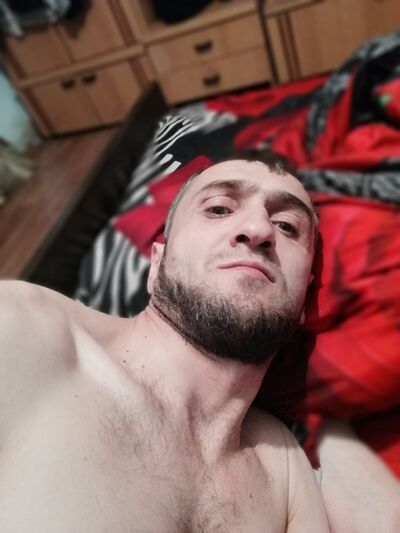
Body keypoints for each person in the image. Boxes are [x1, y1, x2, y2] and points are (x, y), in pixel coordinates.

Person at [0, 157, 398, 532]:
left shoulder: (286, 466)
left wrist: (333, 410)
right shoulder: (26, 329)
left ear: (304, 299)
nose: (258, 229)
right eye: (219, 209)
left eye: (287, 226)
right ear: (158, 262)